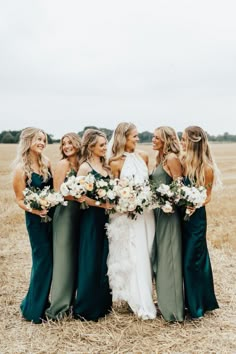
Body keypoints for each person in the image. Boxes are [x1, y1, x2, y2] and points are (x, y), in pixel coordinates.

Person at [106, 122, 156, 320]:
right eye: (134, 136)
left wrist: (143, 199)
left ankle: (146, 294)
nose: (137, 139)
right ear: (123, 137)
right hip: (127, 215)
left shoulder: (143, 156)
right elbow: (113, 193)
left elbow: (148, 186)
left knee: (147, 252)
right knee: (134, 255)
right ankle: (139, 300)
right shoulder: (115, 162)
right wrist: (126, 203)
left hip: (146, 214)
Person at [12, 127, 53, 324]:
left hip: (52, 219)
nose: (42, 143)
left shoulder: (47, 163)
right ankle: (34, 310)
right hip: (36, 221)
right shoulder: (21, 169)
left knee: (52, 260)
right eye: (38, 139)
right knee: (43, 260)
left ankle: (43, 302)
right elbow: (20, 199)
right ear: (28, 141)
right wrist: (36, 209)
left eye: (44, 140)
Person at [180, 125, 220, 319]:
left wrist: (195, 203)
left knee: (192, 260)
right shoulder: (181, 161)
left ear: (193, 142)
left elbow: (208, 196)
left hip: (196, 220)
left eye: (184, 139)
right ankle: (190, 301)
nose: (181, 142)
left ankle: (198, 306)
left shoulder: (207, 168)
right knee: (183, 260)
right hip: (179, 217)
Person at [73, 129, 112, 321]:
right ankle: (87, 307)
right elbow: (80, 196)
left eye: (105, 144)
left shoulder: (107, 167)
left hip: (106, 218)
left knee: (104, 258)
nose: (106, 148)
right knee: (90, 258)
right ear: (91, 147)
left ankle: (103, 303)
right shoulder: (85, 168)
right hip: (90, 218)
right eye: (102, 145)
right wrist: (100, 204)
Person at [45, 133, 83, 320]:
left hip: (80, 215)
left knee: (76, 259)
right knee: (63, 260)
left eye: (70, 142)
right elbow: (58, 192)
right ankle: (58, 306)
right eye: (64, 143)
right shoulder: (63, 165)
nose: (67, 146)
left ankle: (72, 302)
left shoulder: (81, 165)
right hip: (65, 215)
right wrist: (79, 196)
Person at [150, 126, 184, 322]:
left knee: (169, 258)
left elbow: (179, 187)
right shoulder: (159, 159)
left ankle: (173, 310)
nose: (153, 140)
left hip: (169, 215)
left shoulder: (171, 159)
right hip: (158, 214)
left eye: (156, 138)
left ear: (166, 140)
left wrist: (168, 202)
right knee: (160, 259)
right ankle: (164, 303)